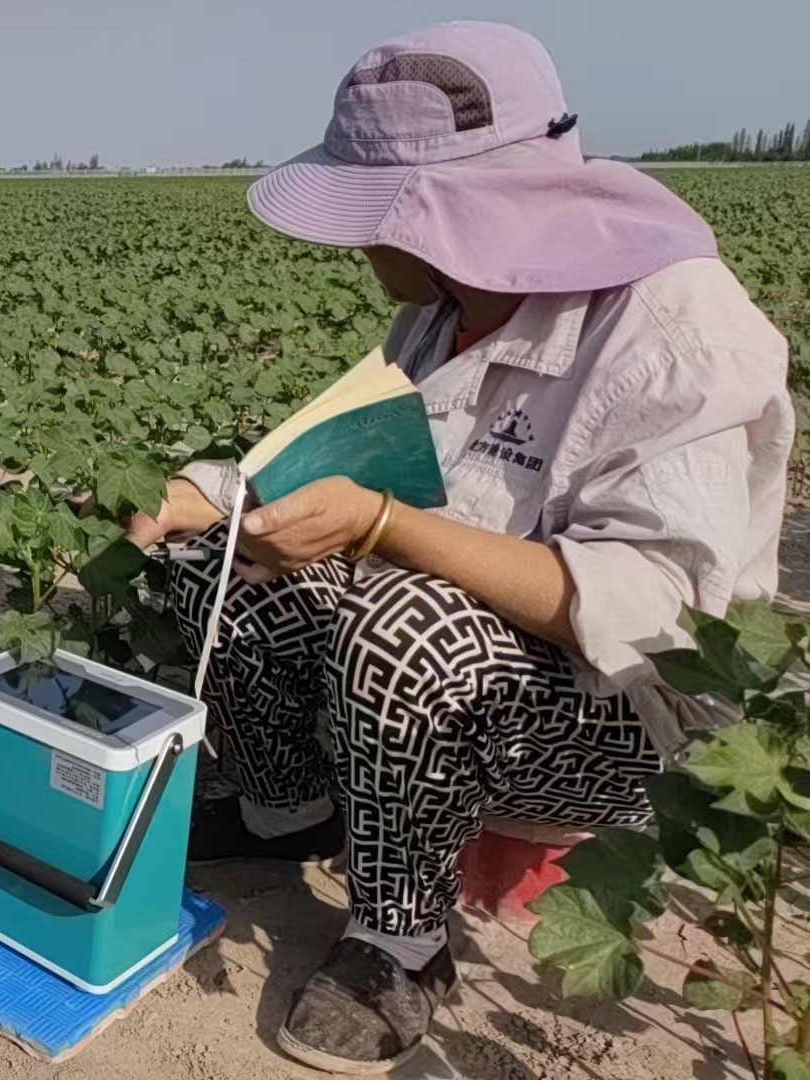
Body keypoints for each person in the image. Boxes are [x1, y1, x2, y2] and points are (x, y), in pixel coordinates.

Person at [124, 23, 791, 1074]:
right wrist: (192, 499)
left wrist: (386, 529)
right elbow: (330, 458)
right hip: (462, 670)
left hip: (622, 723)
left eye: (370, 215)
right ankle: (285, 814)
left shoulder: (674, 329)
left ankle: (399, 941)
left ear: (456, 214)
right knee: (227, 566)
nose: (354, 245)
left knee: (405, 624)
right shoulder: (443, 313)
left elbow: (652, 607)